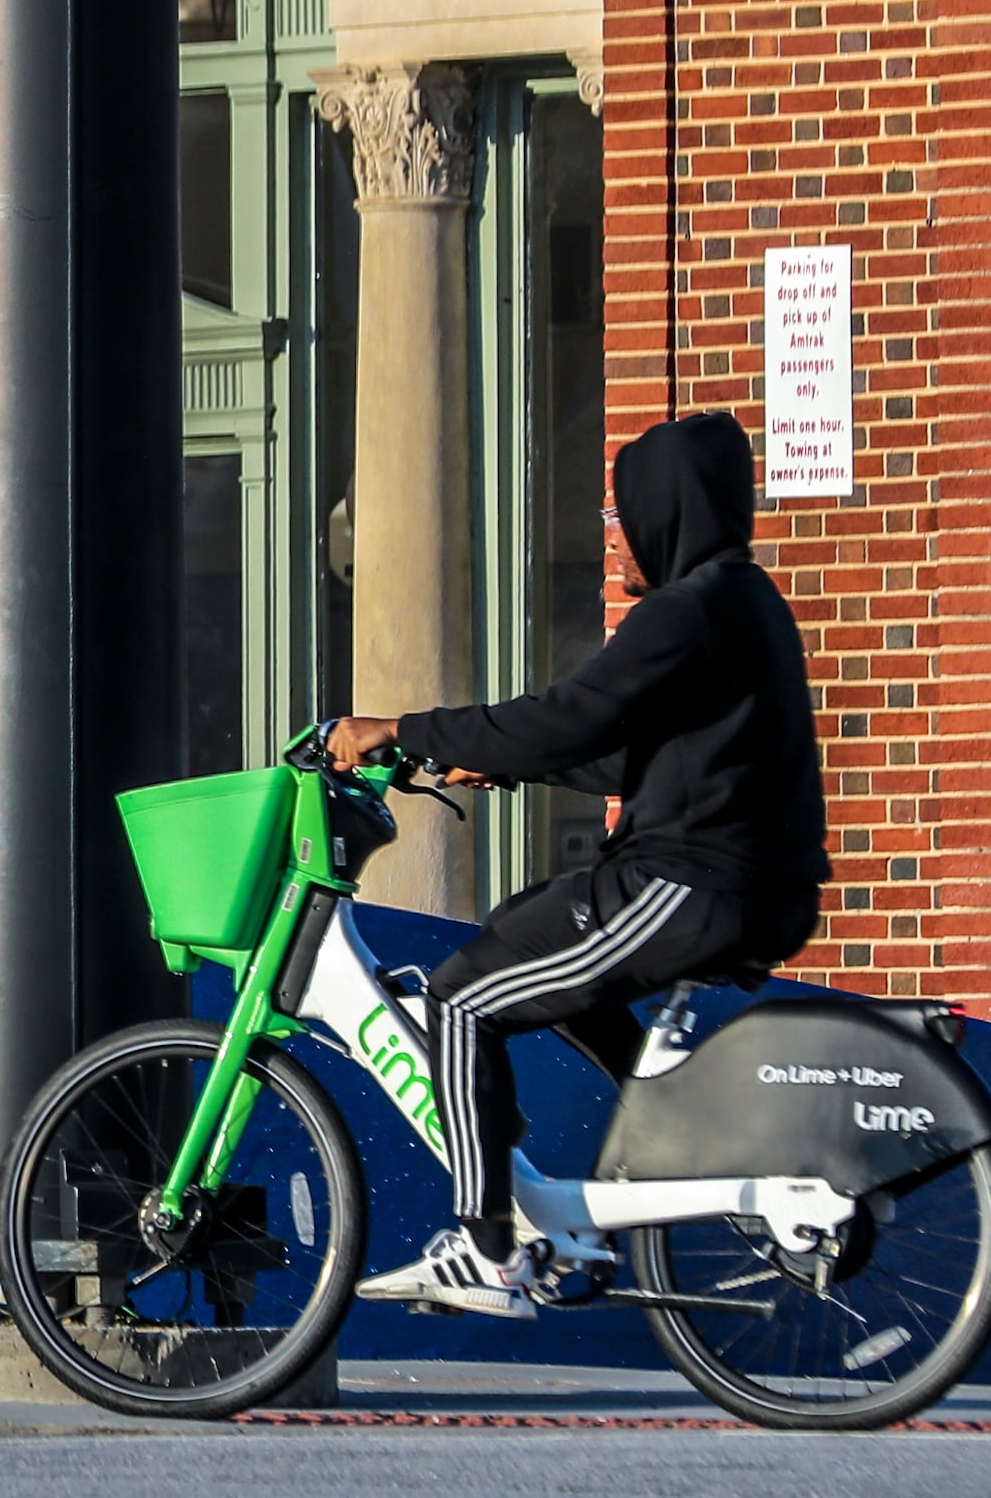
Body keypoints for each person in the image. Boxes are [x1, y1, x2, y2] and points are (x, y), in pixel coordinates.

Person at [322, 410, 830, 1319]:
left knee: (462, 996)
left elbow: (571, 713)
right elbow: (637, 755)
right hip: (738, 882)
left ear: (664, 510)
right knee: (523, 927)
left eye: (622, 513)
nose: (616, 535)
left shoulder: (688, 609)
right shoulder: (741, 601)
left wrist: (403, 729)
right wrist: (498, 758)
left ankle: (486, 1248)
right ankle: (660, 1130)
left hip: (689, 882)